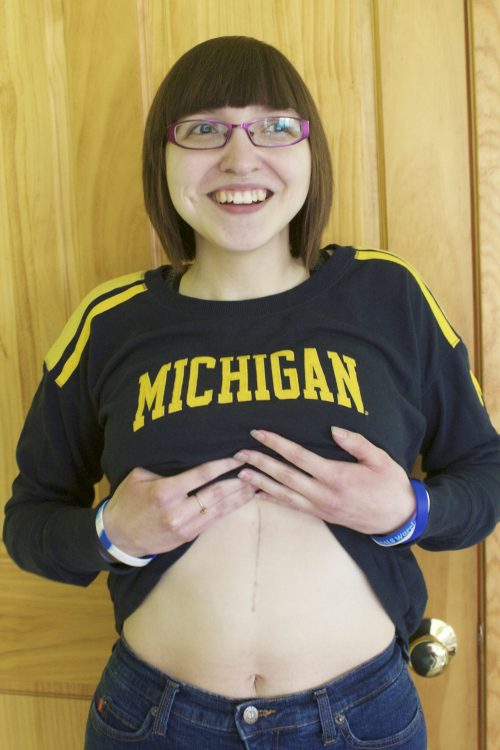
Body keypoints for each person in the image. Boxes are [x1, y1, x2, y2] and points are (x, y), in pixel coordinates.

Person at [3, 35, 500, 750]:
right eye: (204, 130)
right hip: (154, 721)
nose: (241, 159)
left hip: (359, 717)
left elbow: (485, 475)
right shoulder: (109, 323)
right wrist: (112, 533)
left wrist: (407, 510)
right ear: (163, 158)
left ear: (309, 153)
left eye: (275, 127)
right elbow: (29, 524)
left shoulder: (389, 296)